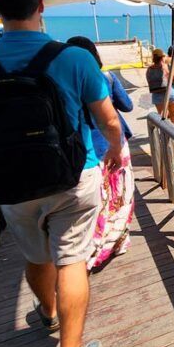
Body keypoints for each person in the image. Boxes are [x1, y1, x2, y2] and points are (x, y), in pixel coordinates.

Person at [0, 0, 121, 347]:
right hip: (72, 177)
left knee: (36, 255)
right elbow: (109, 121)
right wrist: (116, 151)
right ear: (41, 7)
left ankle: (46, 312)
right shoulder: (74, 58)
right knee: (72, 260)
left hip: (9, 184)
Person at [66, 37, 135, 270]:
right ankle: (118, 242)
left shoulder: (66, 83)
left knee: (98, 198)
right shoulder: (105, 78)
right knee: (121, 195)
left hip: (86, 151)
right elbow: (127, 107)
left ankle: (94, 245)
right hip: (112, 144)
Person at [146, 48, 174, 124]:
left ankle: (164, 134)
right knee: (173, 116)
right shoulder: (166, 66)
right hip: (170, 93)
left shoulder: (149, 69)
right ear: (162, 58)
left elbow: (149, 81)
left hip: (157, 94)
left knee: (162, 116)